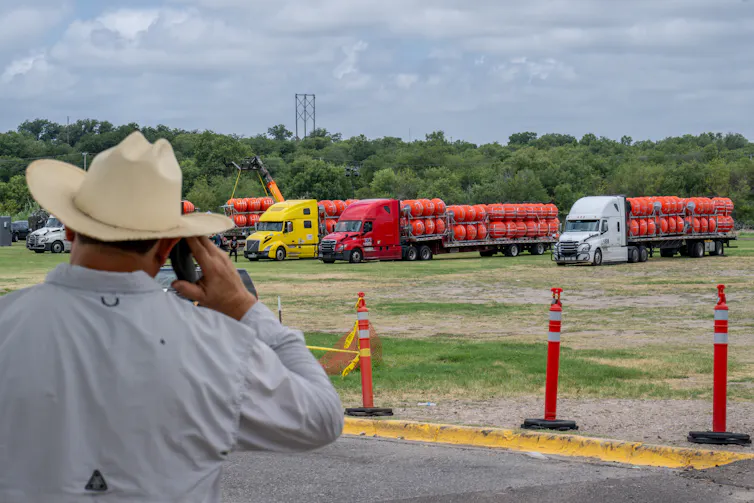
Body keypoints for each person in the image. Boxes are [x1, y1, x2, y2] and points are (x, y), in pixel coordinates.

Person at [0, 132, 343, 503]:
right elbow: (322, 418)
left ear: (70, 229)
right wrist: (245, 309)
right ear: (167, 246)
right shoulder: (218, 346)